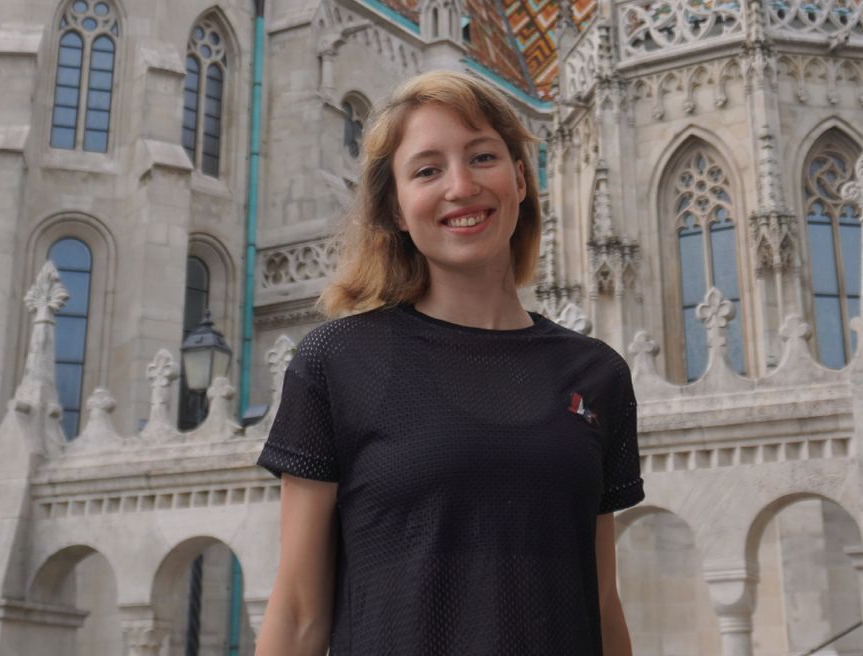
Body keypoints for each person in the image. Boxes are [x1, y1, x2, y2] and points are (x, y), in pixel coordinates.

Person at [254, 69, 642, 656]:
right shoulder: (337, 362)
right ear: (396, 210)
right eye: (427, 170)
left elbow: (603, 606)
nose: (461, 187)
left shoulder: (598, 376)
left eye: (482, 157)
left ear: (519, 178)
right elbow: (298, 613)